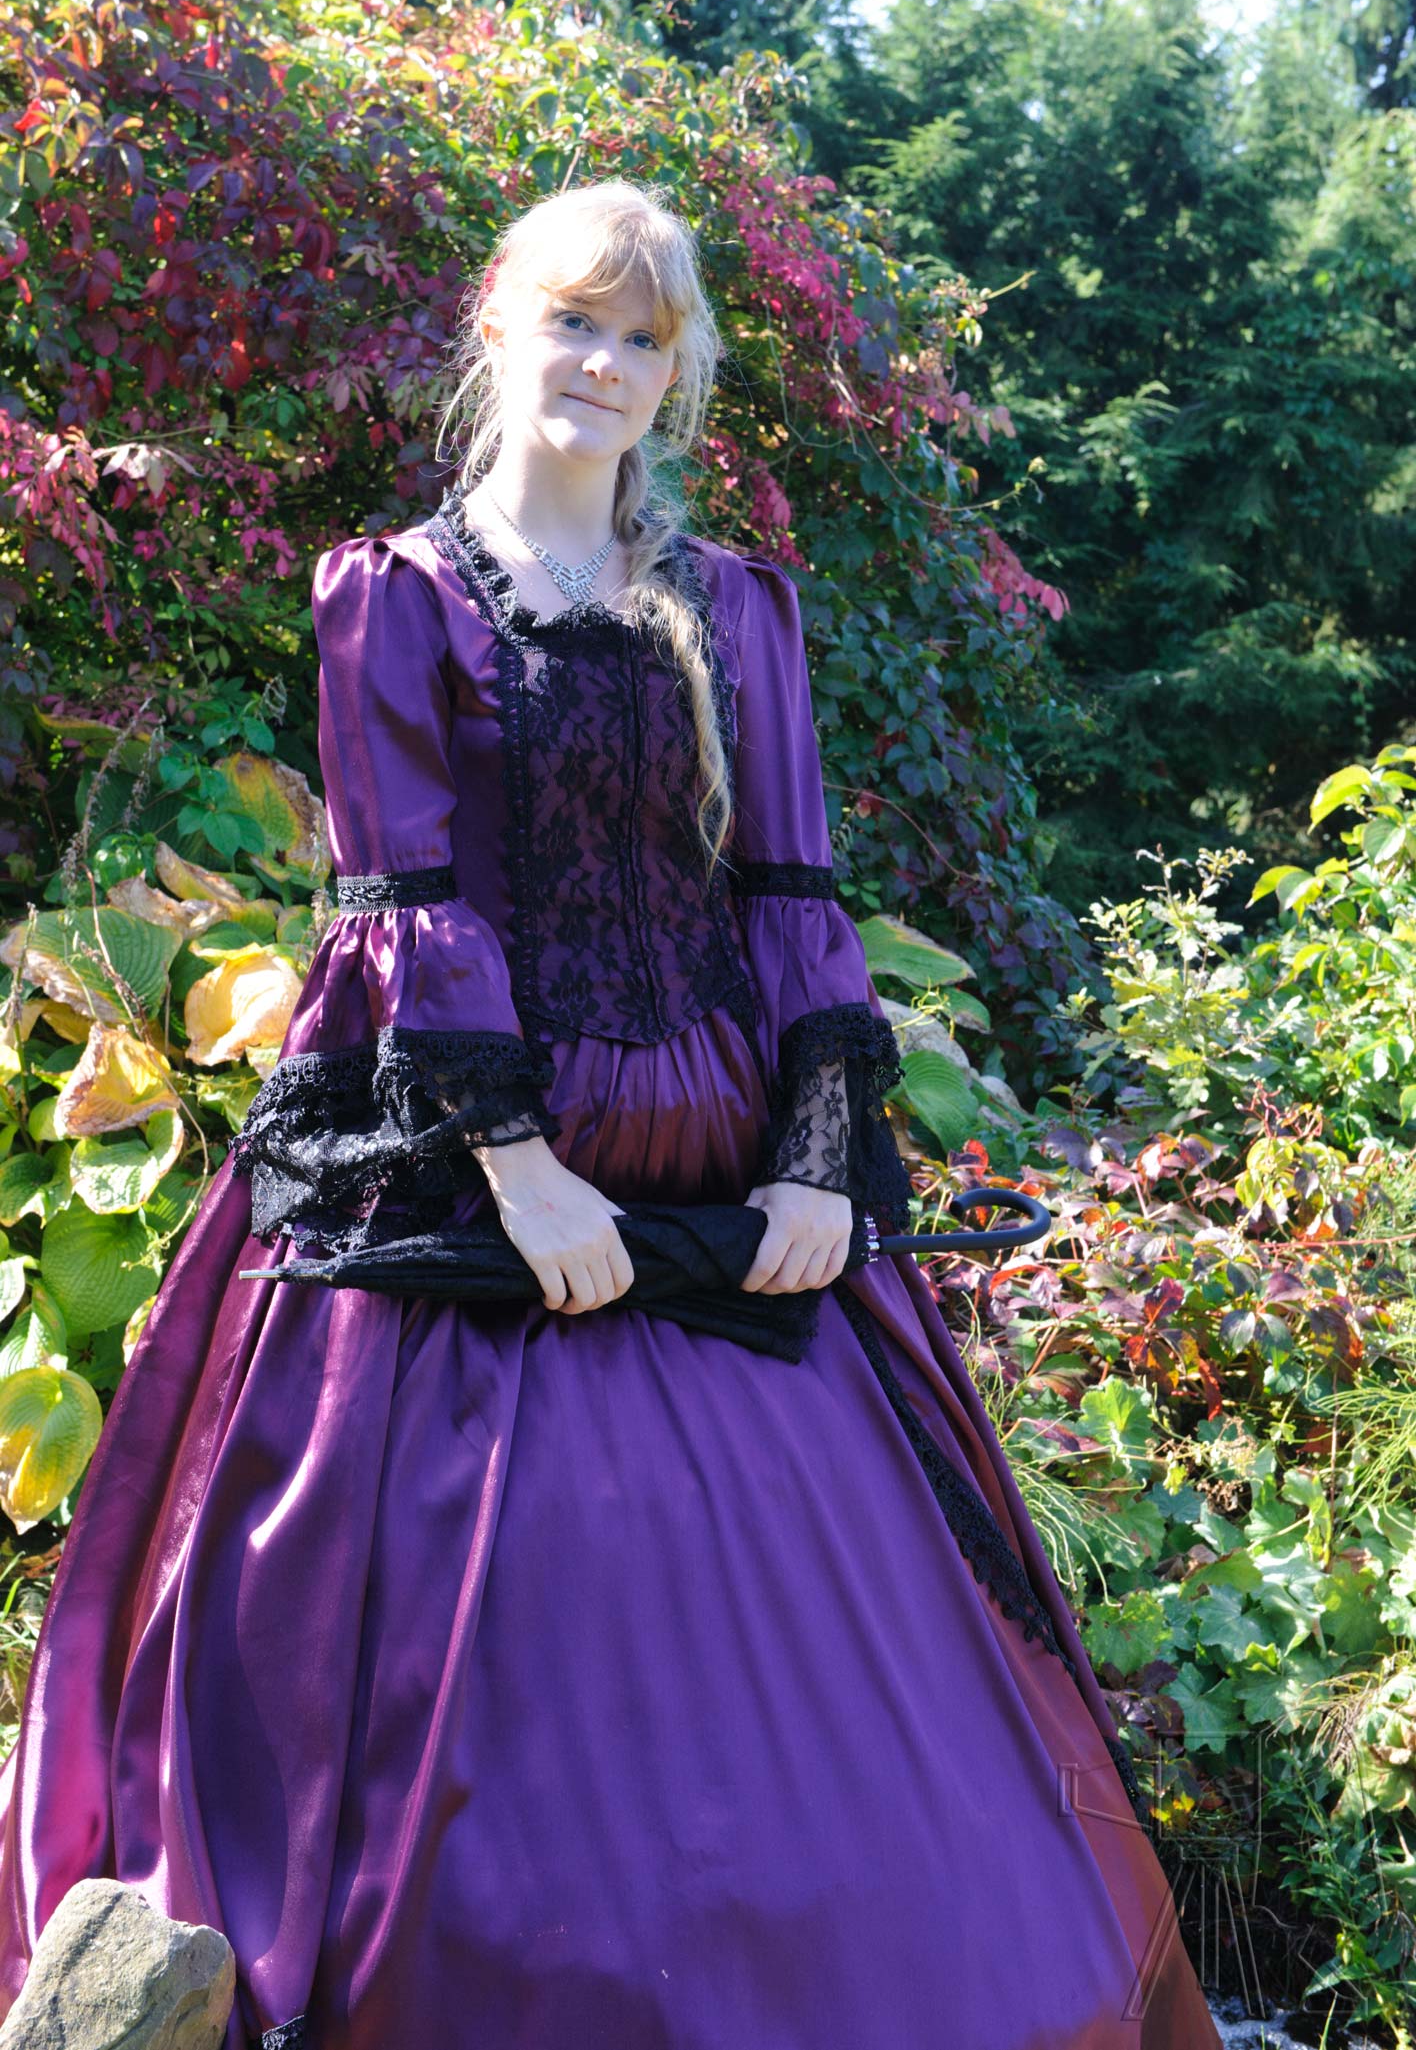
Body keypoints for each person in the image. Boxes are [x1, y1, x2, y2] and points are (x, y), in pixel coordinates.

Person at [0, 176, 1223, 2050]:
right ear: (500, 324)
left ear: (678, 371)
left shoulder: (736, 609)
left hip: (728, 1186)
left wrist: (815, 1160)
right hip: (460, 1181)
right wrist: (522, 1173)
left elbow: (791, 897)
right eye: (577, 321)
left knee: (865, 1728)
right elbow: (406, 906)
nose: (606, 364)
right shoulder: (397, 600)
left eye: (645, 338)